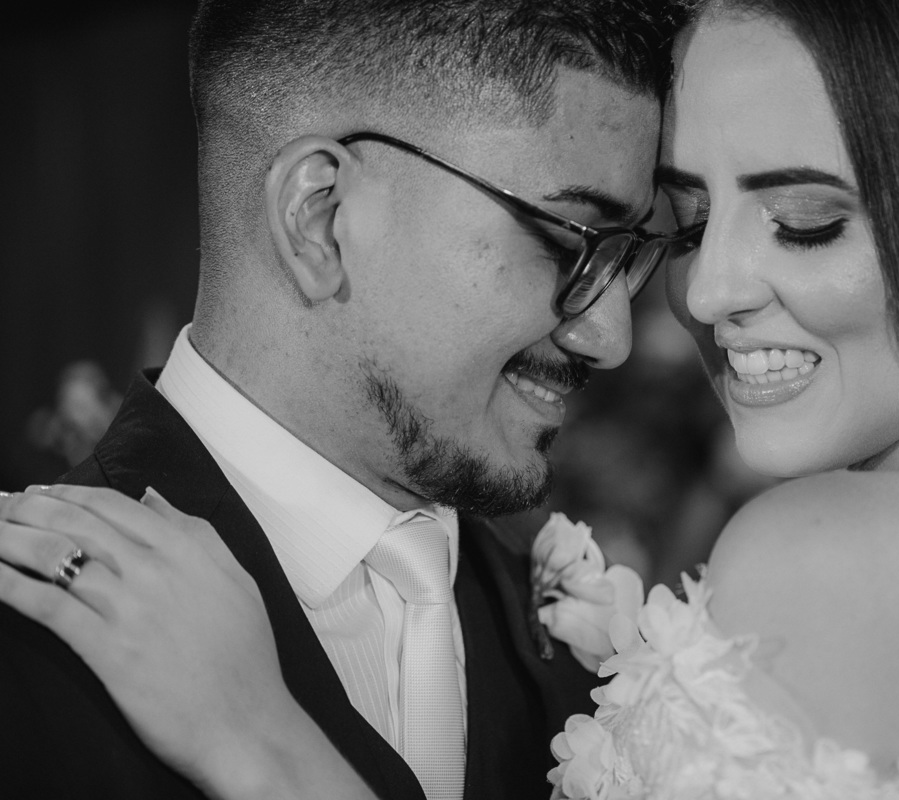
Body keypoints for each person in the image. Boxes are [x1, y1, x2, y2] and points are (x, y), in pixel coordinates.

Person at [5, 0, 899, 797]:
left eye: (804, 221)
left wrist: (265, 747)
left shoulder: (829, 556)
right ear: (319, 215)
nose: (674, 308)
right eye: (593, 237)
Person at [0, 1, 683, 799]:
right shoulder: (23, 647)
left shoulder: (594, 671)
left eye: (627, 257)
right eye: (569, 240)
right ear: (319, 218)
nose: (611, 336)